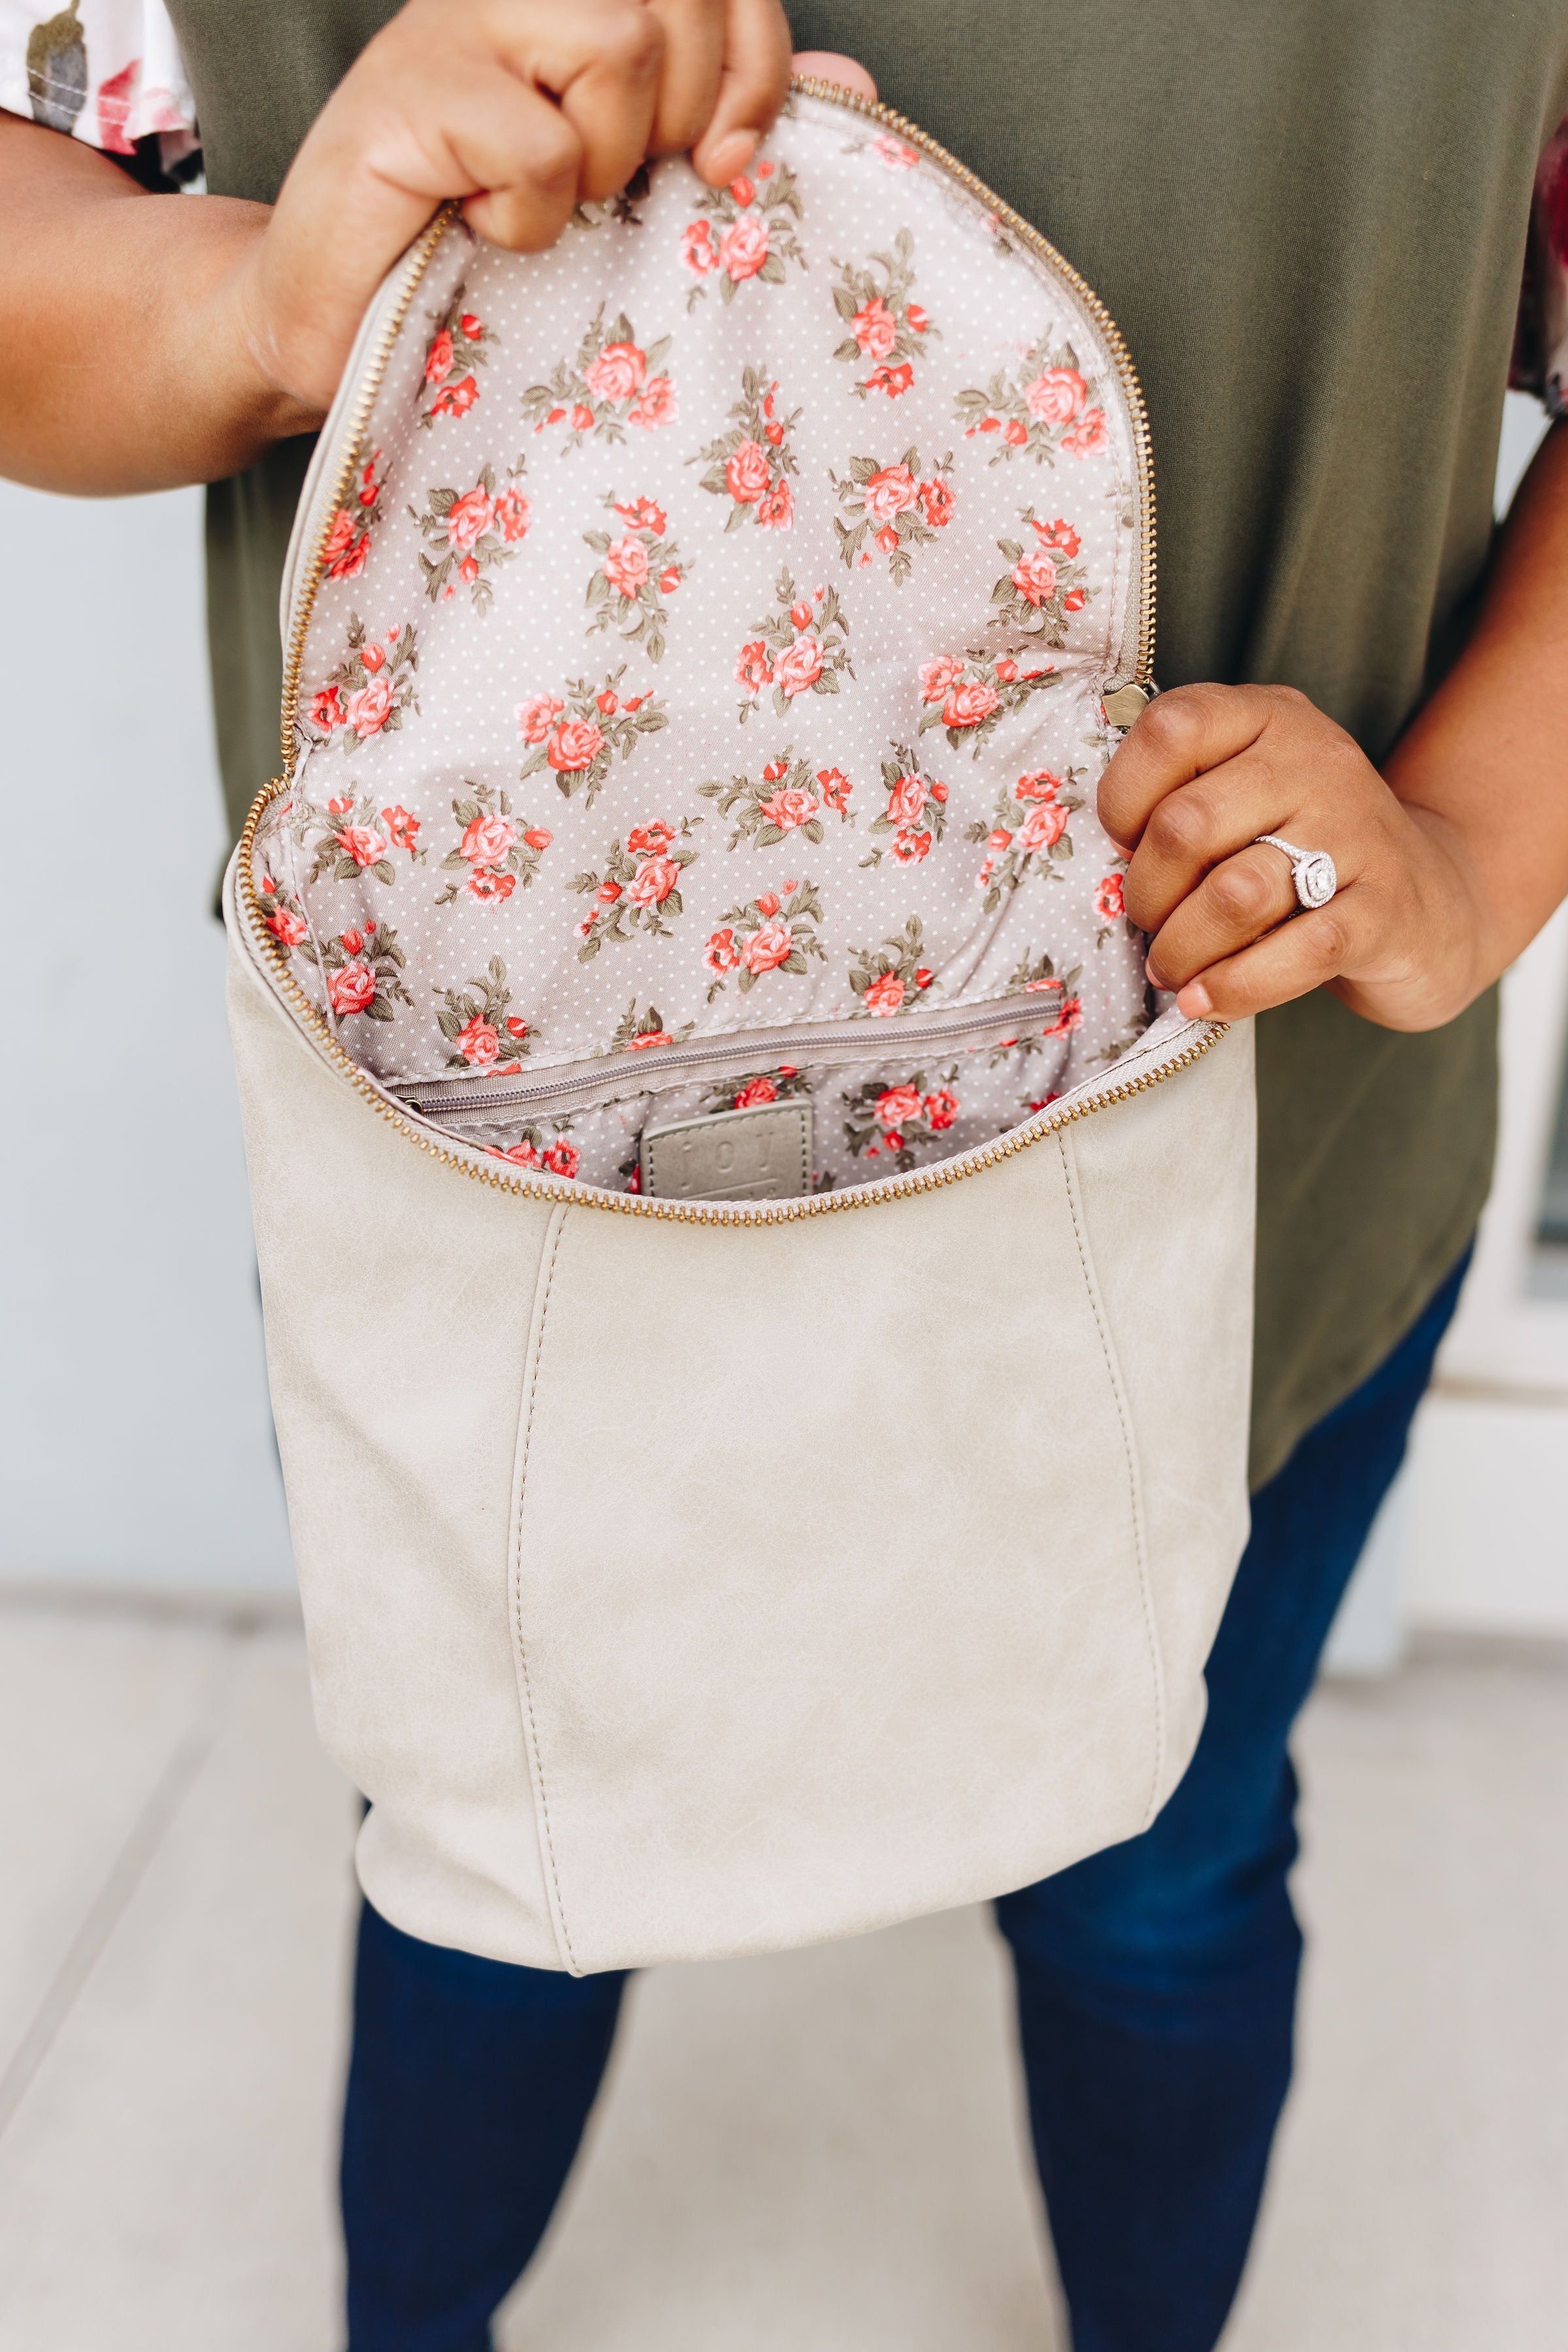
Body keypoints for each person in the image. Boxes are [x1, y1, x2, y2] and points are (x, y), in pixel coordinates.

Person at [3, 5, 1567, 2345]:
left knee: (1149, 1872)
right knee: (506, 1874)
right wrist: (251, 301)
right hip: (475, 1175)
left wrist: (1471, 837)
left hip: (1250, 1160)